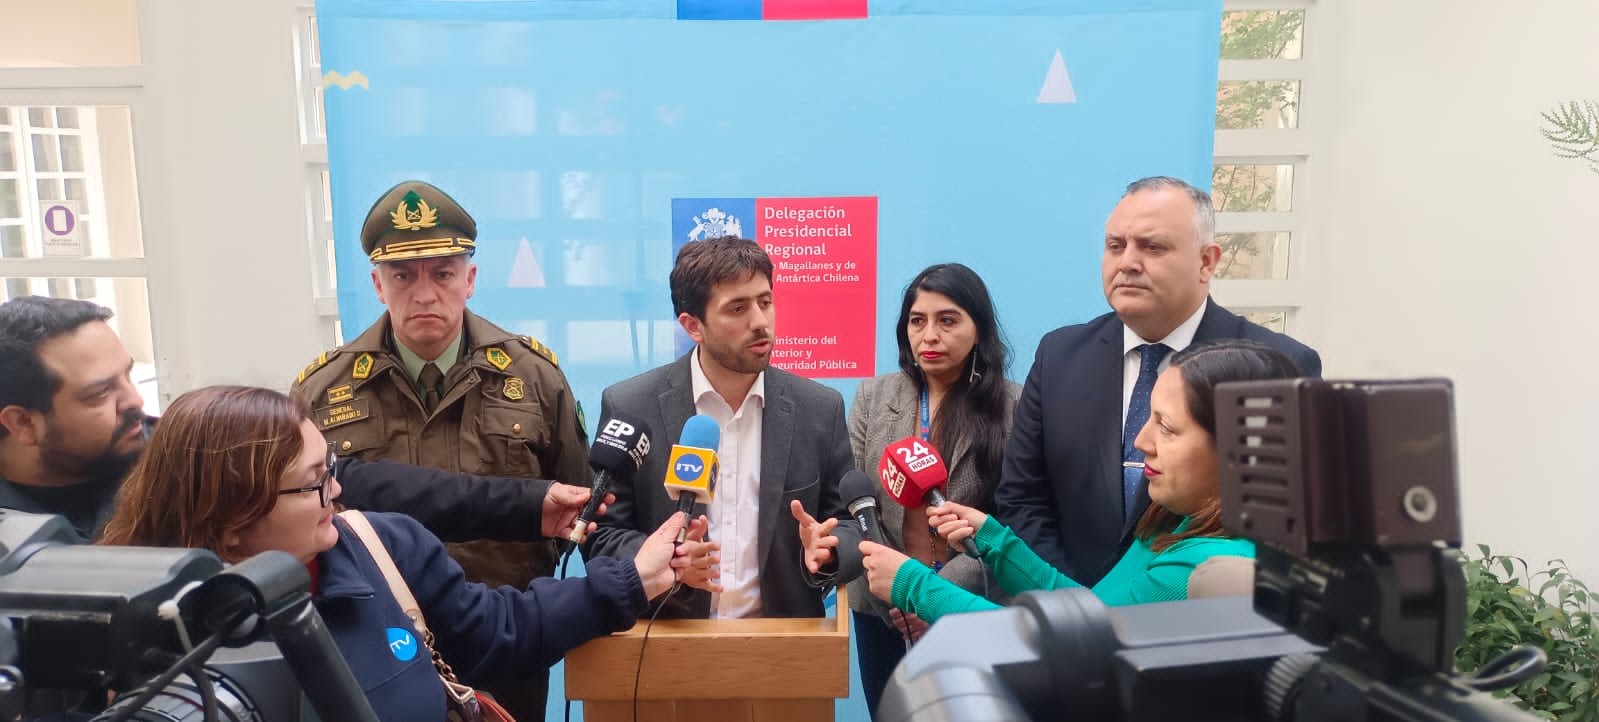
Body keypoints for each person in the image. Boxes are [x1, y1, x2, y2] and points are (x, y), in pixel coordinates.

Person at [97, 385, 712, 721]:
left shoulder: (378, 546)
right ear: (232, 519)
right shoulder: (137, 632)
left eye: (331, 469)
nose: (336, 492)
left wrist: (630, 579)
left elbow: (500, 630)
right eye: (313, 484)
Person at [289, 181, 588, 718]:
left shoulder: (535, 379)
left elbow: (583, 511)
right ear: (378, 285)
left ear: (469, 280)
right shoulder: (322, 392)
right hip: (372, 646)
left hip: (505, 641)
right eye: (403, 276)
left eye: (443, 274)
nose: (424, 294)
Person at [0, 295, 594, 547]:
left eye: (129, 375)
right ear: (21, 422)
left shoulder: (187, 453)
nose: (134, 401)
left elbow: (373, 486)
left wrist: (527, 503)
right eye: (100, 393)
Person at [994, 176, 1322, 589]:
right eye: (1116, 246)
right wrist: (1082, 604)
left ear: (1207, 262)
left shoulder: (1278, 367)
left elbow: (1281, 522)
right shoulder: (1059, 355)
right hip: (1062, 611)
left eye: (1152, 247)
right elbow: (1022, 498)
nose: (1128, 263)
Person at [858, 342, 1301, 622]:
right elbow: (1087, 613)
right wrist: (992, 539)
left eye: (1166, 428)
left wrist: (912, 584)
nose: (1142, 441)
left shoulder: (1204, 571)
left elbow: (1051, 647)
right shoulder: (1176, 521)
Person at [789, 263, 1019, 717]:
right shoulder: (874, 397)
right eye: (918, 321)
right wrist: (887, 588)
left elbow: (1011, 521)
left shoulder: (1013, 406)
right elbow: (853, 504)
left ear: (978, 330)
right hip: (881, 609)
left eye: (947, 320)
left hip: (969, 604)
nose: (929, 335)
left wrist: (929, 595)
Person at [583, 236, 852, 619]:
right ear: (693, 326)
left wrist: (829, 549)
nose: (759, 322)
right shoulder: (630, 406)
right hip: (666, 634)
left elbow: (849, 524)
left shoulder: (819, 409)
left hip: (783, 640)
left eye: (765, 302)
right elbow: (601, 535)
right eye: (738, 308)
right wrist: (665, 560)